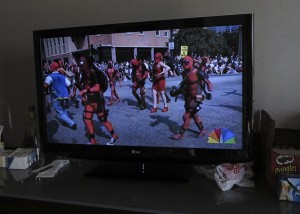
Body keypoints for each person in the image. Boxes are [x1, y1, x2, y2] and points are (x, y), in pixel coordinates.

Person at [78, 56, 119, 145]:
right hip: (90, 100)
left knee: (103, 120)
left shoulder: (93, 72)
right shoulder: (85, 73)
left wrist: (86, 91)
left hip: (97, 100)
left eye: (83, 65)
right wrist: (83, 95)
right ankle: (93, 141)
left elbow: (97, 87)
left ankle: (114, 136)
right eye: (81, 66)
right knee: (87, 119)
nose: (82, 68)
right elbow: (85, 84)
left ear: (87, 64)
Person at [171, 55, 213, 140]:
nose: (184, 65)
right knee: (194, 114)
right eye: (183, 63)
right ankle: (202, 129)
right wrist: (175, 93)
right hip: (188, 98)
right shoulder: (184, 74)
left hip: (198, 97)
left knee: (187, 116)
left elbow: (208, 82)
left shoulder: (198, 72)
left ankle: (180, 134)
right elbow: (183, 87)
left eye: (186, 63)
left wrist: (209, 91)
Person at [44, 62, 77, 129]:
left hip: (56, 96)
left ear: (52, 68)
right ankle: (67, 119)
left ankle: (71, 123)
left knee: (59, 112)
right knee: (63, 108)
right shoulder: (62, 76)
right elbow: (69, 84)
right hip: (64, 95)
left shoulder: (50, 76)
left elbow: (45, 85)